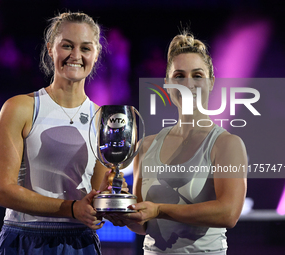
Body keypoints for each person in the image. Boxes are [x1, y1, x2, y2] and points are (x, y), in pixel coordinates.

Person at [106, 32, 247, 254]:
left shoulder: (226, 144)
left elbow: (229, 213)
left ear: (211, 83)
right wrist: (123, 209)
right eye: (179, 76)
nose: (188, 84)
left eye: (197, 75)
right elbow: (142, 224)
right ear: (167, 84)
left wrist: (158, 209)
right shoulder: (146, 146)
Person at [0, 11, 119, 255]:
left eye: (85, 48)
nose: (75, 56)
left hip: (80, 242)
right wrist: (71, 208)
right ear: (51, 49)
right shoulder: (20, 108)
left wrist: (106, 201)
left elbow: (96, 195)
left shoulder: (104, 118)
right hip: (25, 239)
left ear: (96, 53)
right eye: (67, 46)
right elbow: (2, 191)